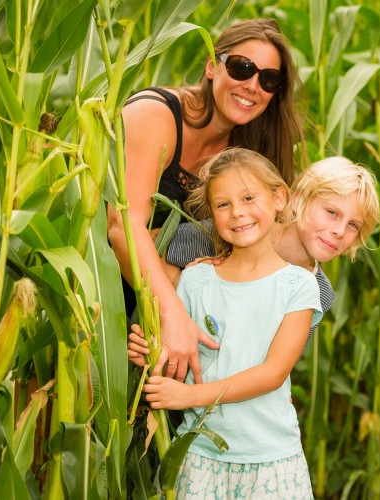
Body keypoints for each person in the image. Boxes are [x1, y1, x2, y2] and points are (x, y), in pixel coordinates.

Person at [108, 18, 304, 382]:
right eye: (242, 67)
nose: (252, 85)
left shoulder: (247, 151)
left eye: (268, 79)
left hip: (178, 312)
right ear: (212, 66)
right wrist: (174, 316)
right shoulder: (156, 115)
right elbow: (122, 226)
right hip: (105, 300)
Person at [130, 148, 322, 498]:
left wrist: (189, 395)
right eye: (223, 205)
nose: (238, 213)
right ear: (212, 215)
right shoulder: (196, 279)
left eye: (249, 198)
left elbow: (272, 373)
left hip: (271, 460)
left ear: (279, 197)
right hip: (198, 456)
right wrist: (151, 352)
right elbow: (180, 360)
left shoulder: (299, 285)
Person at [160, 156, 380, 354]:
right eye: (332, 212)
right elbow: (149, 250)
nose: (340, 231)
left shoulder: (319, 291)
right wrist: (183, 285)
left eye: (353, 225)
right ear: (296, 201)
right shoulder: (232, 232)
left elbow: (277, 364)